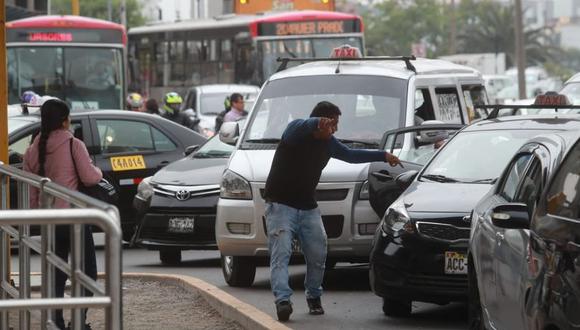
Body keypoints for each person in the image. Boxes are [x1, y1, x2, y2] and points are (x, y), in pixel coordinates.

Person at [263, 101, 401, 321]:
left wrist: (383, 155)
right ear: (321, 122)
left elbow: (351, 155)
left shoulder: (329, 144)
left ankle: (314, 296)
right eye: (332, 124)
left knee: (318, 254)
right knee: (281, 255)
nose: (335, 129)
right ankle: (282, 300)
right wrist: (317, 122)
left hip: (307, 206)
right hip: (280, 205)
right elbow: (300, 126)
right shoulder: (295, 132)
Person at [23, 99, 102, 330]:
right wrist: (98, 171)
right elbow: (90, 177)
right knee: (87, 274)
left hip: (49, 220)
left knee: (56, 272)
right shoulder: (73, 144)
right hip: (74, 218)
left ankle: (55, 321)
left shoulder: (32, 149)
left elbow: (32, 191)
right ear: (65, 121)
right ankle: (77, 321)